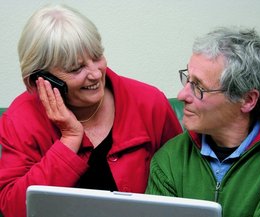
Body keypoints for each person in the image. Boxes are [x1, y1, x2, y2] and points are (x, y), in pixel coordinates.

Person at [0, 5, 182, 217]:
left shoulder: (149, 102)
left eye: (97, 56)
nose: (95, 74)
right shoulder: (21, 118)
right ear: (41, 79)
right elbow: (14, 209)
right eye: (76, 69)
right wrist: (69, 140)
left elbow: (182, 182)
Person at [146, 27, 260, 217]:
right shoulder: (170, 159)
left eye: (198, 86)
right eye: (187, 79)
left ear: (247, 100)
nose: (182, 95)